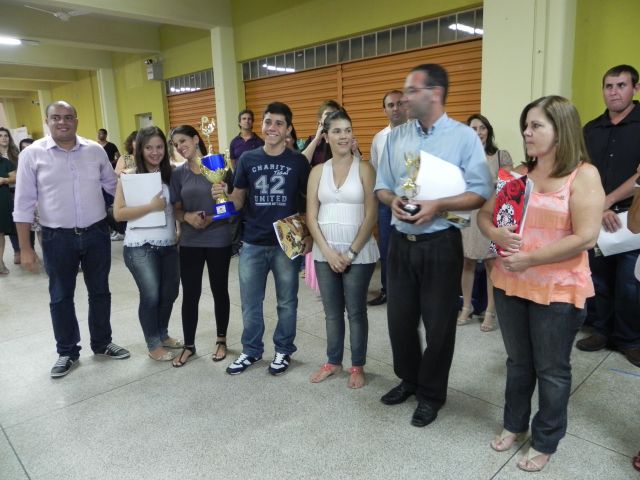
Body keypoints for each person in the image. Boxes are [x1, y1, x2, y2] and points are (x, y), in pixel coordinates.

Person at [477, 95, 604, 472]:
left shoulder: (584, 175)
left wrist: (530, 258)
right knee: (518, 363)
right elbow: (485, 216)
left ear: (560, 130)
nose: (526, 132)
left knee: (551, 369)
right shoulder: (517, 174)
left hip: (557, 289)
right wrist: (495, 233)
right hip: (511, 283)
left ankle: (546, 438)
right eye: (525, 126)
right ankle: (514, 424)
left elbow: (586, 236)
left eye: (536, 126)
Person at [374, 64, 492, 427]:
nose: (404, 98)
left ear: (435, 93)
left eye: (412, 91)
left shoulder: (463, 138)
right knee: (399, 320)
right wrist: (392, 199)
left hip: (441, 243)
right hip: (401, 242)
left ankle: (431, 394)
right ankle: (409, 379)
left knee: (439, 324)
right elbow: (381, 186)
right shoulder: (396, 137)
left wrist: (438, 205)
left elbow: (480, 191)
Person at [13, 101, 130, 378]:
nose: (62, 122)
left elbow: (112, 186)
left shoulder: (95, 151)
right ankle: (67, 351)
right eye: (56, 118)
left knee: (100, 292)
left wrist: (139, 186)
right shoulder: (32, 155)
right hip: (57, 238)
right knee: (60, 296)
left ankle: (102, 343)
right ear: (47, 121)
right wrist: (26, 248)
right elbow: (23, 203)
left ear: (76, 121)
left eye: (68, 117)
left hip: (96, 233)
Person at [212, 102, 311, 376]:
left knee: (287, 302)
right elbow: (238, 201)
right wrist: (223, 195)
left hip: (286, 243)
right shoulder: (248, 159)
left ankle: (283, 350)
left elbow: (308, 202)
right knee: (250, 302)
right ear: (262, 125)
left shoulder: (298, 162)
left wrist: (309, 234)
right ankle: (251, 350)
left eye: (279, 123)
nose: (272, 128)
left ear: (288, 129)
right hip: (253, 241)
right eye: (268, 122)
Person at [307, 110, 379, 389]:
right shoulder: (317, 172)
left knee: (356, 311)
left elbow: (371, 215)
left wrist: (350, 253)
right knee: (332, 312)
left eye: (347, 130)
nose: (344, 136)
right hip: (324, 253)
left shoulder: (365, 169)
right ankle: (333, 361)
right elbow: (311, 216)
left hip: (359, 252)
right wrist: (327, 252)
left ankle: (357, 365)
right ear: (326, 137)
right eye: (337, 131)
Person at [577, 64, 640, 367]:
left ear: (635, 89)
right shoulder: (591, 129)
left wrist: (609, 200)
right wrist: (600, 207)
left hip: (632, 216)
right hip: (596, 217)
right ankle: (601, 331)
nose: (614, 92)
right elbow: (581, 171)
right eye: (609, 86)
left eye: (621, 85)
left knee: (630, 283)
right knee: (598, 278)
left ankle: (630, 340)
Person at [113, 126, 182, 361]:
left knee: (170, 293)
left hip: (169, 245)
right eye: (149, 147)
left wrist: (180, 229)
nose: (155, 152)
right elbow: (118, 213)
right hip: (139, 246)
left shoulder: (172, 173)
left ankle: (163, 334)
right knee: (151, 295)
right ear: (140, 149)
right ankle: (153, 344)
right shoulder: (129, 177)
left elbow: (177, 208)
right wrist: (151, 207)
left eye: (159, 147)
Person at [170, 125, 232, 367]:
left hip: (218, 238)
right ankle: (189, 345)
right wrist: (187, 217)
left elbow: (232, 204)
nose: (180, 147)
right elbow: (176, 210)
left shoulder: (218, 166)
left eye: (183, 141)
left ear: (196, 139)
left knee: (219, 289)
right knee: (190, 293)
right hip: (190, 241)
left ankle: (221, 340)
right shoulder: (178, 174)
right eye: (175, 144)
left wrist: (211, 218)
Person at [457, 114, 513, 331]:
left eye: (482, 128)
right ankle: (467, 306)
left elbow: (508, 187)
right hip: (466, 214)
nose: (478, 132)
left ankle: (490, 311)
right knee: (467, 262)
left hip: (490, 214)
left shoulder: (500, 156)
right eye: (473, 128)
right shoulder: (461, 156)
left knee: (492, 264)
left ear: (488, 131)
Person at [368, 89, 408, 306]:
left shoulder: (420, 134)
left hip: (412, 202)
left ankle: (409, 293)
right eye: (390, 105)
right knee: (387, 249)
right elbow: (375, 171)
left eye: (399, 103)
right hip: (385, 203)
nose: (395, 108)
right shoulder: (379, 139)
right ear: (384, 110)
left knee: (410, 250)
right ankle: (387, 290)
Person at [0, 127, 18, 275]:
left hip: (8, 197)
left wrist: (4, 180)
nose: (4, 138)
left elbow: (16, 177)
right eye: (1, 136)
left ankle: (1, 262)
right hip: (7, 196)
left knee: (5, 230)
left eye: (6, 135)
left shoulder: (9, 158)